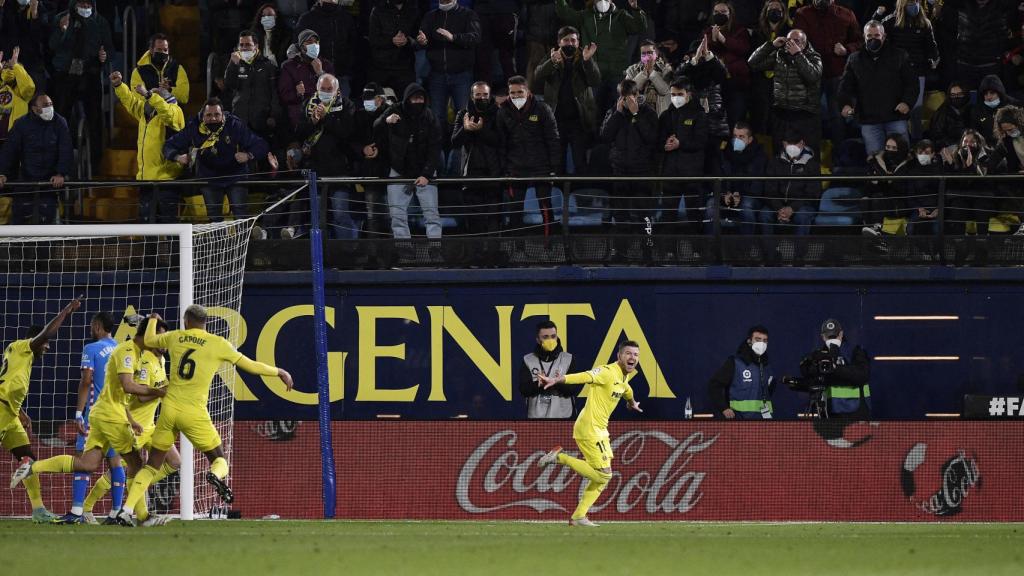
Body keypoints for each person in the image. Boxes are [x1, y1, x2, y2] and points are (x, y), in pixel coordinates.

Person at [115, 305, 294, 526]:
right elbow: (251, 366)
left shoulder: (176, 337)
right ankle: (215, 476)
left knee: (151, 465)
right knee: (219, 458)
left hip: (169, 409)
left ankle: (126, 510)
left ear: (186, 321)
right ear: (205, 322)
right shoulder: (218, 344)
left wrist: (152, 319)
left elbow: (150, 340)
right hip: (194, 413)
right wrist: (279, 372)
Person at [12, 316, 167, 526]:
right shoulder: (127, 351)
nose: (159, 341)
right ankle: (138, 515)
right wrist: (159, 392)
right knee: (135, 464)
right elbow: (128, 387)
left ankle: (33, 467)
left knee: (87, 463)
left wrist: (131, 418)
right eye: (156, 336)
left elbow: (119, 393)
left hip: (103, 412)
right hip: (110, 415)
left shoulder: (137, 353)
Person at [535, 340, 644, 526]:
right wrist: (556, 380)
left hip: (600, 431)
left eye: (635, 354)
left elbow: (627, 389)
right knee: (604, 475)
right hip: (589, 428)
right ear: (619, 356)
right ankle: (559, 458)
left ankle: (579, 517)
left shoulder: (624, 378)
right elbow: (584, 376)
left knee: (601, 478)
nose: (632, 357)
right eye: (628, 353)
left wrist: (632, 402)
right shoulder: (607, 372)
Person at [0, 297, 79, 523]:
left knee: (28, 459)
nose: (47, 346)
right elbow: (45, 334)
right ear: (34, 340)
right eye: (44, 343)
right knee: (28, 461)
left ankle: (38, 510)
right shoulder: (23, 346)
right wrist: (66, 311)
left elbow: (6, 384)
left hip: (10, 412)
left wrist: (21, 412)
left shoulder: (18, 356)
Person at [83, 346, 179, 526]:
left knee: (174, 462)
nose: (165, 343)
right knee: (120, 471)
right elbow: (142, 396)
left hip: (151, 426)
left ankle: (138, 488)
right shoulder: (145, 362)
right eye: (159, 336)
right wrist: (166, 389)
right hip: (137, 425)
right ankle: (87, 507)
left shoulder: (162, 360)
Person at [163, 97, 272, 223]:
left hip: (235, 175)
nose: (213, 118)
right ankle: (218, 243)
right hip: (209, 178)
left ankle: (242, 243)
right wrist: (177, 157)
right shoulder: (193, 126)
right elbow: (168, 145)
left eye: (217, 115)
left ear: (223, 115)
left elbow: (261, 145)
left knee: (240, 215)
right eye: (209, 115)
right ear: (202, 116)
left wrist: (248, 155)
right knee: (214, 218)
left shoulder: (234, 124)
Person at [57, 312, 118, 525]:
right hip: (118, 415)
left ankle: (76, 511)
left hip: (95, 414)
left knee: (82, 459)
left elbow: (86, 381)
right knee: (116, 464)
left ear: (99, 327)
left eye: (93, 326)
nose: (91, 329)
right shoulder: (122, 348)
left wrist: (77, 415)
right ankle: (116, 513)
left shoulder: (91, 349)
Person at [295, 74, 366, 239]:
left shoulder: (346, 105)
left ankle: (349, 255)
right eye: (323, 89)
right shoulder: (308, 105)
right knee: (318, 218)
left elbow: (347, 132)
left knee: (341, 215)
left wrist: (326, 118)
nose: (326, 92)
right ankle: (323, 258)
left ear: (337, 90)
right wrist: (312, 121)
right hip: (315, 170)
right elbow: (298, 133)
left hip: (340, 170)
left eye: (330, 89)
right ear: (317, 89)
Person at [110, 71, 185, 224]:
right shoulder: (146, 115)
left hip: (166, 181)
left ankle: (176, 250)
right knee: (147, 229)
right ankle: (150, 250)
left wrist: (149, 95)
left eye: (153, 95)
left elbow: (167, 113)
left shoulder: (175, 112)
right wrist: (119, 85)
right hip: (145, 181)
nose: (148, 98)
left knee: (170, 228)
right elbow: (130, 101)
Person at [375, 83, 444, 241]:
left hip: (424, 171)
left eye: (421, 98)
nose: (418, 102)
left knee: (432, 215)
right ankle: (404, 253)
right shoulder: (395, 110)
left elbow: (435, 147)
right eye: (414, 98)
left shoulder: (429, 116)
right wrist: (386, 120)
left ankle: (435, 254)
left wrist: (426, 174)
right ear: (407, 99)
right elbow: (376, 126)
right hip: (399, 170)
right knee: (397, 216)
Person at [838, 20, 919, 155]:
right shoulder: (854, 59)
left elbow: (912, 83)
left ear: (884, 36)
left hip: (896, 118)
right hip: (869, 121)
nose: (873, 39)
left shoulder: (899, 55)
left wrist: (907, 102)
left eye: (877, 35)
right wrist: (845, 104)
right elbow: (845, 87)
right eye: (869, 36)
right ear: (864, 37)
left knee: (901, 158)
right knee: (875, 161)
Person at [554, 0, 648, 115]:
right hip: (595, 74)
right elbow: (565, 13)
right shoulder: (586, 15)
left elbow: (640, 27)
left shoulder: (621, 16)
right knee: (593, 112)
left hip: (617, 74)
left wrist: (635, 8)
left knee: (619, 111)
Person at [601, 78, 659, 258]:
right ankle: (621, 252)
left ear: (637, 95)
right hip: (620, 172)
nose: (626, 101)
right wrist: (618, 114)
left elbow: (652, 139)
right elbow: (604, 136)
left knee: (645, 216)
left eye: (629, 97)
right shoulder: (614, 111)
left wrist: (636, 115)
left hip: (642, 173)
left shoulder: (648, 112)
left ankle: (647, 250)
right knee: (620, 215)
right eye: (622, 97)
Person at [48, 0, 112, 164]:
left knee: (94, 119)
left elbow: (109, 49)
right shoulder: (61, 19)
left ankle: (96, 162)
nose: (85, 9)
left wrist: (105, 57)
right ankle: (59, 161)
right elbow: (52, 46)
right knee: (62, 118)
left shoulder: (100, 21)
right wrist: (63, 31)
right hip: (65, 76)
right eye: (82, 5)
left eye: (88, 5)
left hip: (90, 75)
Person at [496, 75, 561, 236]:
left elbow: (553, 139)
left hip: (541, 168)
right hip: (515, 169)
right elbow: (500, 143)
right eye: (513, 93)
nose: (516, 96)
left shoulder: (542, 109)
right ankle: (516, 248)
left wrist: (554, 168)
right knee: (515, 210)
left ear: (528, 91)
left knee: (546, 207)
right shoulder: (503, 111)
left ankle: (550, 245)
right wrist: (504, 168)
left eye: (520, 92)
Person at [794, 0, 863, 145]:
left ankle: (838, 160)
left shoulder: (847, 14)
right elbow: (796, 43)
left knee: (837, 118)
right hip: (811, 75)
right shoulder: (802, 14)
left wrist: (846, 49)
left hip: (837, 75)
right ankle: (812, 159)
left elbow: (860, 42)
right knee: (809, 118)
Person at [534, 26, 601, 176]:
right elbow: (537, 76)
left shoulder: (586, 56)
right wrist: (551, 62)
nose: (569, 43)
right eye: (566, 40)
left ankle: (579, 197)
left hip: (579, 120)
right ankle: (559, 196)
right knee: (558, 164)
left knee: (580, 163)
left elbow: (595, 80)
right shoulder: (551, 56)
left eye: (573, 40)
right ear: (559, 42)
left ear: (578, 43)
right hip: (556, 120)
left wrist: (588, 61)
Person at [0, 94, 73, 225]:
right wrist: (2, 173)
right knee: (19, 221)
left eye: (51, 104)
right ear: (34, 109)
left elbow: (66, 149)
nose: (49, 108)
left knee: (47, 221)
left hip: (50, 181)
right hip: (26, 179)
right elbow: (9, 150)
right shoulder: (21, 124)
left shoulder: (60, 122)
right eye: (45, 105)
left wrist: (60, 173)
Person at [749, 28, 823, 153]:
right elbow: (753, 63)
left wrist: (798, 55)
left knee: (807, 153)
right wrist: (771, 45)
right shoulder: (780, 55)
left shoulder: (813, 56)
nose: (791, 44)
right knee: (780, 153)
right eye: (789, 41)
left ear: (804, 43)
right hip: (782, 113)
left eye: (796, 41)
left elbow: (813, 76)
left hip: (805, 114)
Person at [451, 81, 506, 248]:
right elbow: (454, 142)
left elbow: (501, 141)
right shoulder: (463, 114)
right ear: (472, 96)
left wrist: (481, 131)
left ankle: (493, 255)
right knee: (474, 221)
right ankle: (476, 256)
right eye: (478, 95)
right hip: (471, 176)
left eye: (485, 95)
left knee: (493, 220)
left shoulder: (498, 113)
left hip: (493, 175)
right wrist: (466, 129)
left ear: (490, 96)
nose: (481, 98)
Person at [417, 0, 481, 128]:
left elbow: (475, 37)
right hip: (437, 74)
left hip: (462, 75)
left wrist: (453, 38)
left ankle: (460, 148)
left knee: (464, 116)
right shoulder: (430, 16)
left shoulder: (468, 14)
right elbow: (421, 38)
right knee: (436, 117)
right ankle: (437, 148)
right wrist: (422, 41)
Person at [880, 0, 938, 139]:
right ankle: (898, 145)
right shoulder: (889, 22)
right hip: (896, 75)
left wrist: (933, 60)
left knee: (916, 113)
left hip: (918, 73)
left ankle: (917, 145)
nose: (915, 4)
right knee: (897, 111)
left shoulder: (925, 23)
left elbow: (932, 49)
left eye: (917, 1)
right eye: (912, 1)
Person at [658, 77, 709, 233]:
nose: (675, 98)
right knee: (668, 216)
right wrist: (665, 144)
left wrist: (681, 144)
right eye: (673, 94)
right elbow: (657, 140)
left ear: (688, 94)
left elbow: (702, 142)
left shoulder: (699, 115)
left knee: (694, 216)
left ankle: (697, 252)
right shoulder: (666, 115)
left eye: (679, 94)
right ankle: (669, 252)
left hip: (692, 175)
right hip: (670, 175)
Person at [798, 318, 871, 419]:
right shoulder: (819, 355)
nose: (832, 339)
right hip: (830, 414)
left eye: (835, 335)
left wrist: (835, 369)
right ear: (823, 337)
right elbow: (807, 373)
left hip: (857, 413)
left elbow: (862, 375)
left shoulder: (855, 352)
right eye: (829, 336)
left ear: (841, 334)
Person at [760, 130, 820, 236]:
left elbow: (812, 194)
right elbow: (769, 190)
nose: (792, 146)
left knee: (803, 215)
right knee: (765, 214)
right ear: (784, 144)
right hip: (778, 206)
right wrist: (779, 209)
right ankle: (768, 252)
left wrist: (792, 209)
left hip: (802, 206)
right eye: (788, 143)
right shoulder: (775, 162)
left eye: (795, 143)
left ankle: (799, 252)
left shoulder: (812, 164)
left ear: (802, 143)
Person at [703, 1, 752, 127]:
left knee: (735, 119)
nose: (719, 14)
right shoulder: (708, 31)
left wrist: (722, 39)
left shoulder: (740, 30)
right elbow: (707, 53)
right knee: (717, 122)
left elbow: (742, 49)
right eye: (716, 12)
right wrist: (714, 39)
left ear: (730, 14)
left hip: (736, 82)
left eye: (723, 12)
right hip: (716, 85)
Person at [708, 325, 774, 419]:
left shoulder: (767, 366)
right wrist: (724, 408)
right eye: (758, 339)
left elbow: (770, 390)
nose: (762, 343)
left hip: (764, 423)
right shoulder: (735, 363)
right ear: (749, 341)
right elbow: (714, 385)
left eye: (765, 340)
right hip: (740, 422)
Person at [296, 0, 357, 98]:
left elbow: (353, 45)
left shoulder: (346, 18)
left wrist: (348, 64)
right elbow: (298, 45)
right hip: (313, 76)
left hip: (341, 74)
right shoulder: (307, 19)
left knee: (341, 109)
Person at [860, 134, 912, 248]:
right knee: (867, 199)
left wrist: (885, 181)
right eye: (888, 147)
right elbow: (868, 187)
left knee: (878, 198)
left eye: (894, 148)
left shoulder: (909, 165)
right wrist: (878, 181)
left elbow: (904, 189)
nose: (890, 151)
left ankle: (877, 230)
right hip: (881, 199)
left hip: (900, 203)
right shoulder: (876, 162)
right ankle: (873, 234)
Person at [518, 320, 577, 419]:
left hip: (564, 417)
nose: (550, 340)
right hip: (536, 419)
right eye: (545, 337)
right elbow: (524, 390)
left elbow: (573, 389)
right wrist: (538, 384)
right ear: (537, 339)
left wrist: (557, 382)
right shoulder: (528, 360)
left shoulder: (568, 359)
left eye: (553, 336)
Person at [278, 29, 336, 129]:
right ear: (301, 46)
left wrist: (321, 73)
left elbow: (335, 92)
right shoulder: (289, 66)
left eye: (316, 42)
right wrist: (297, 93)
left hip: (322, 110)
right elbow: (284, 96)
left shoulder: (326, 65)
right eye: (309, 42)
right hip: (299, 114)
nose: (314, 45)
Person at [717, 121, 767, 234]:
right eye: (735, 136)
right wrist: (724, 193)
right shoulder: (724, 152)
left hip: (749, 196)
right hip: (727, 195)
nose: (737, 140)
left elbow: (757, 185)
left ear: (750, 140)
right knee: (711, 206)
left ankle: (745, 249)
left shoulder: (759, 156)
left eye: (741, 137)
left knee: (746, 207)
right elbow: (719, 176)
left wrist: (740, 194)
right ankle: (711, 248)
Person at [367, 0, 420, 95]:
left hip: (405, 69)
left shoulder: (413, 10)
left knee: (405, 105)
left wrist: (407, 41)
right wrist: (391, 40)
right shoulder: (378, 10)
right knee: (380, 106)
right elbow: (373, 39)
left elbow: (419, 40)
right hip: (381, 69)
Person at [130, 33, 191, 106]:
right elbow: (138, 100)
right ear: (151, 50)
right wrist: (155, 94)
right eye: (159, 49)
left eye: (165, 50)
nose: (162, 53)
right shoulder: (139, 71)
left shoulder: (177, 69)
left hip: (174, 115)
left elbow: (184, 97)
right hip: (150, 116)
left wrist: (169, 90)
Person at [474, 0, 520, 84]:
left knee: (507, 55)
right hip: (484, 12)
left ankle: (514, 92)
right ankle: (484, 93)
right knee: (484, 57)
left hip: (505, 11)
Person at [624, 39, 674, 115]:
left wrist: (652, 73)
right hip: (638, 114)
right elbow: (627, 91)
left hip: (660, 114)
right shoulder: (632, 70)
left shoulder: (666, 69)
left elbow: (666, 91)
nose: (647, 56)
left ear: (656, 54)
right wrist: (643, 74)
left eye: (650, 53)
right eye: (643, 53)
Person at [0, 48, 35, 148]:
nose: (8, 69)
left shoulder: (21, 92)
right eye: (5, 66)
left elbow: (28, 87)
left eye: (11, 68)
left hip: (13, 141)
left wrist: (16, 65)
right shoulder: (2, 86)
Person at [970, 74, 1015, 142]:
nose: (989, 97)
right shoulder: (977, 111)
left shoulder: (1014, 107)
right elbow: (975, 133)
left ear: (999, 93)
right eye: (986, 94)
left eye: (992, 93)